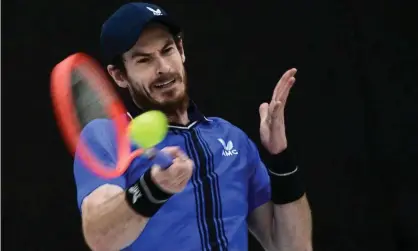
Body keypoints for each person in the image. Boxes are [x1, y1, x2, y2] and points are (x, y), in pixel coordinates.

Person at [74, 2, 312, 251]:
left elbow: (293, 247)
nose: (163, 68)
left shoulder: (233, 140)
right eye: (144, 60)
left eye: (167, 51)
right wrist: (154, 188)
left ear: (181, 50)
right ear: (119, 75)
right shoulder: (107, 137)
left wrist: (280, 157)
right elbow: (99, 237)